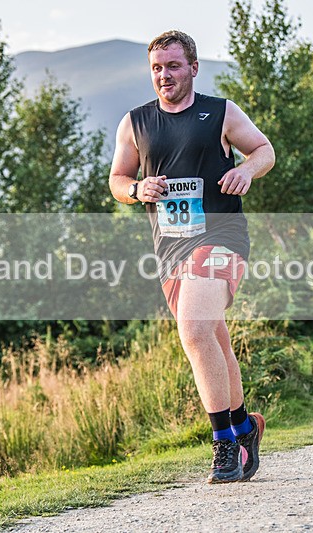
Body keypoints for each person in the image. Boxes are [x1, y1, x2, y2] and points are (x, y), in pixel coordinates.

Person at [109, 30, 276, 483]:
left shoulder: (221, 112)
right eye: (157, 68)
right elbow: (118, 180)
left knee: (195, 329)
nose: (164, 75)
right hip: (171, 249)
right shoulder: (135, 123)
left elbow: (264, 150)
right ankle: (245, 428)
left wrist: (245, 170)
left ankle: (223, 447)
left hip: (221, 236)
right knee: (214, 342)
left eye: (174, 66)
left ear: (194, 68)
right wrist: (137, 189)